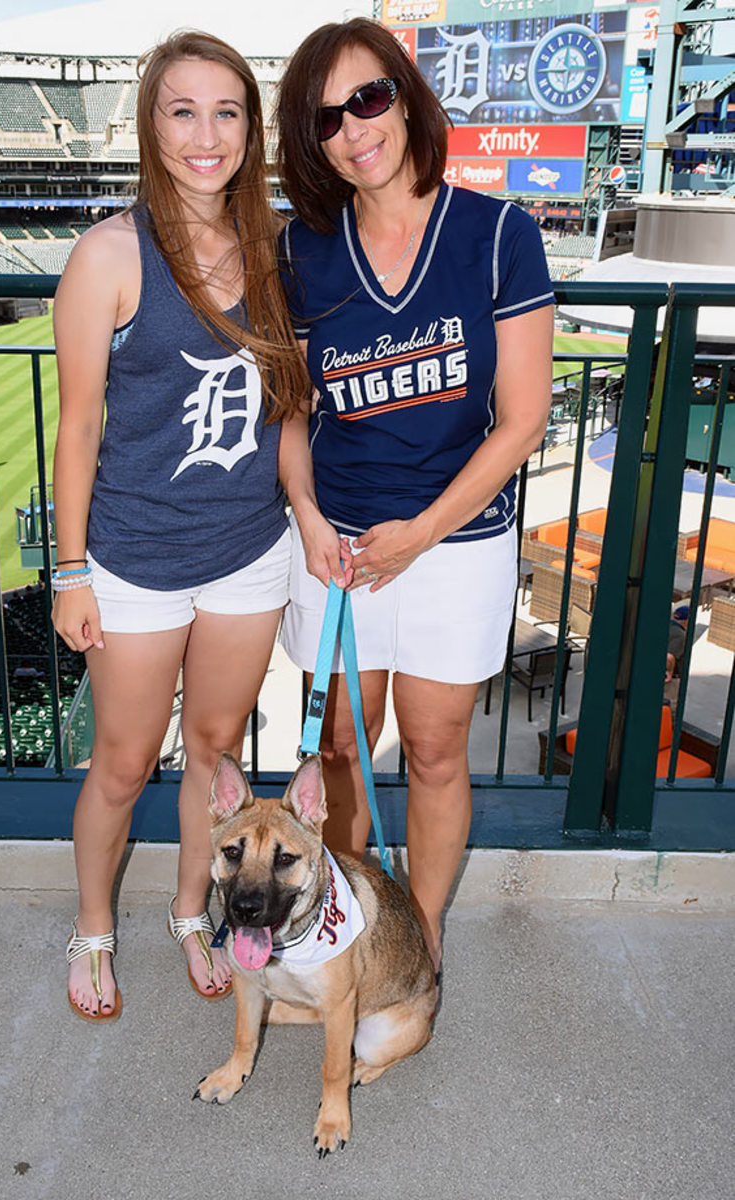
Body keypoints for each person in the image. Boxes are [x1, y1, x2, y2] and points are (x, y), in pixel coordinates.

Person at [276, 18, 554, 979]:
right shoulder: (299, 252)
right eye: (326, 118)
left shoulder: (498, 235)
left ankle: (420, 932)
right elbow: (293, 411)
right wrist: (308, 518)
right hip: (340, 548)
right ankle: (341, 923)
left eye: (370, 98)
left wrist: (422, 534)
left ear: (405, 97)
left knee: (435, 752)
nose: (355, 128)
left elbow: (521, 420)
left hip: (457, 541)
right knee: (343, 748)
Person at [51, 31, 306, 1021]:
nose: (206, 135)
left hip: (246, 549)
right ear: (152, 126)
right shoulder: (108, 254)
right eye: (182, 111)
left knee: (214, 753)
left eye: (226, 111)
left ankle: (190, 913)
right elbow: (76, 427)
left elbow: (288, 409)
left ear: (251, 125)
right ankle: (92, 931)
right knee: (121, 761)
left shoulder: (277, 248)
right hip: (134, 557)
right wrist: (70, 570)